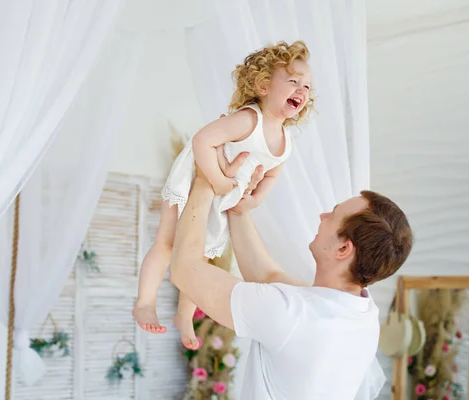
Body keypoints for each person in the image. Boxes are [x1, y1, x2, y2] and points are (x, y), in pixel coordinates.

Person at [169, 154, 414, 399]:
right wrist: (239, 209)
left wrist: (205, 178)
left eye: (333, 215)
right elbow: (268, 276)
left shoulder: (293, 315)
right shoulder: (360, 313)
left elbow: (184, 269)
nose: (323, 217)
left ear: (343, 249)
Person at [132, 40, 314, 349]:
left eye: (307, 86)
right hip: (195, 179)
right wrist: (215, 179)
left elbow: (271, 176)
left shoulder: (286, 142)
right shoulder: (248, 119)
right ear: (263, 85)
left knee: (198, 260)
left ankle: (184, 316)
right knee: (166, 243)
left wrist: (252, 201)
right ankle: (144, 301)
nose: (302, 90)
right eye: (294, 81)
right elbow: (203, 140)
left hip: (221, 197)